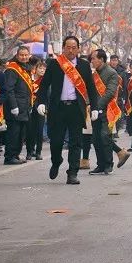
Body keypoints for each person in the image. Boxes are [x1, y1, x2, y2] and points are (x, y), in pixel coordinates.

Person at [35, 36, 98, 185]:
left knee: (76, 142)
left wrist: (95, 107)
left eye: (74, 47)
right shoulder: (55, 64)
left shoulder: (83, 65)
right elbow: (43, 86)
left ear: (78, 49)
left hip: (76, 109)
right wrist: (41, 103)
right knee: (56, 141)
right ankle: (56, 161)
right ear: (63, 48)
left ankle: (73, 173)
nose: (71, 50)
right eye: (68, 47)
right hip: (58, 109)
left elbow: (91, 88)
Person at [89, 49, 127, 175]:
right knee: (96, 138)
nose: (92, 61)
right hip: (95, 110)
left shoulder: (112, 73)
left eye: (94, 58)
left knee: (105, 136)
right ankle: (101, 164)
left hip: (108, 109)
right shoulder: (94, 74)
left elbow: (110, 93)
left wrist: (97, 106)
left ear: (101, 59)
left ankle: (108, 164)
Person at [3, 45, 33, 165]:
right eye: (21, 55)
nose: (24, 57)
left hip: (24, 107)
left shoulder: (26, 68)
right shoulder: (12, 69)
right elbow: (9, 89)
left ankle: (15, 154)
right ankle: (9, 156)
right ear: (17, 55)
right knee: (13, 133)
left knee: (21, 133)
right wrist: (13, 106)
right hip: (15, 107)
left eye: (26, 55)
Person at [25, 58, 46, 160]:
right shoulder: (30, 79)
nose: (42, 70)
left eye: (44, 69)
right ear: (36, 69)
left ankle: (38, 152)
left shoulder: (45, 81)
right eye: (40, 68)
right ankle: (30, 151)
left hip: (40, 108)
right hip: (30, 107)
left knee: (39, 130)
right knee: (30, 130)